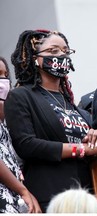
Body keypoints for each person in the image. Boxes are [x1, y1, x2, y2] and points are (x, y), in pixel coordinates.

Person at [4, 29, 97, 212]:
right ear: (35, 58)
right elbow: (26, 144)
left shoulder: (75, 107)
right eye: (53, 51)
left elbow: (93, 148)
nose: (61, 55)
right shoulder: (21, 96)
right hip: (50, 197)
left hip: (86, 198)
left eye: (65, 51)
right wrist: (80, 149)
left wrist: (95, 136)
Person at [0, 56, 41, 213]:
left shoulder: (5, 123)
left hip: (12, 197)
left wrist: (25, 192)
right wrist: (23, 191)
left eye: (5, 75)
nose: (3, 80)